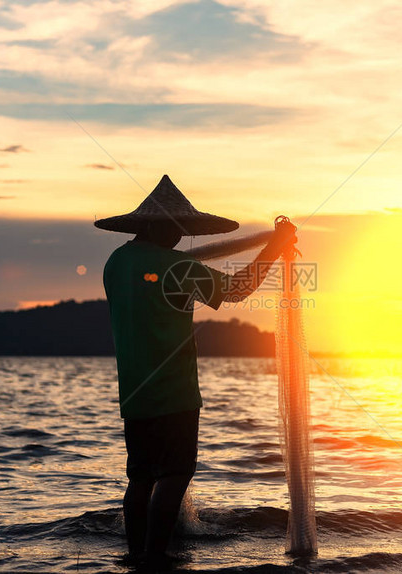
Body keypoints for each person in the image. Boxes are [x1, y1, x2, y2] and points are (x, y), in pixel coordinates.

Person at [97, 175, 296, 569]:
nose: (181, 235)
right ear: (155, 226)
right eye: (175, 227)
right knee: (175, 473)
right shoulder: (180, 266)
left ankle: (135, 554)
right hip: (175, 392)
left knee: (140, 476)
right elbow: (240, 288)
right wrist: (273, 247)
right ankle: (156, 557)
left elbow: (152, 277)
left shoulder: (116, 263)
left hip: (134, 392)